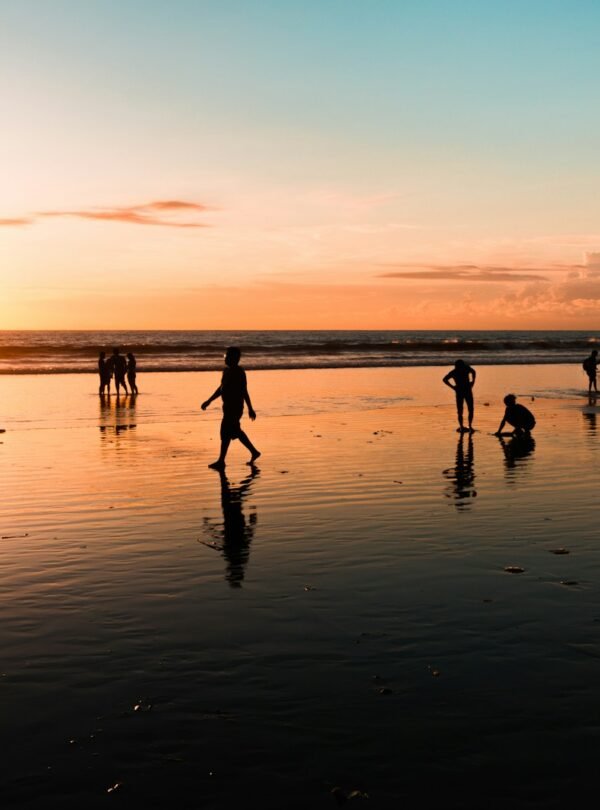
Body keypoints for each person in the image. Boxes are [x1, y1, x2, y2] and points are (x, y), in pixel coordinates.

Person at [201, 346, 260, 469]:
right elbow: (221, 389)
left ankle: (222, 461)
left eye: (227, 356)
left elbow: (244, 391)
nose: (225, 358)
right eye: (225, 355)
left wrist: (250, 408)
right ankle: (252, 452)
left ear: (234, 358)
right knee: (232, 432)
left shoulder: (239, 373)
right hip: (227, 407)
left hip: (235, 407)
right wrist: (209, 400)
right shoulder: (226, 371)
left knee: (228, 432)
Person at [443, 359, 476, 432]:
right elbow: (473, 372)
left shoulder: (455, 371)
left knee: (464, 409)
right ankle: (466, 426)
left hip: (461, 390)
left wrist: (453, 387)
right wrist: (473, 382)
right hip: (465, 390)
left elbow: (445, 379)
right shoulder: (465, 369)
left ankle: (465, 426)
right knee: (467, 409)